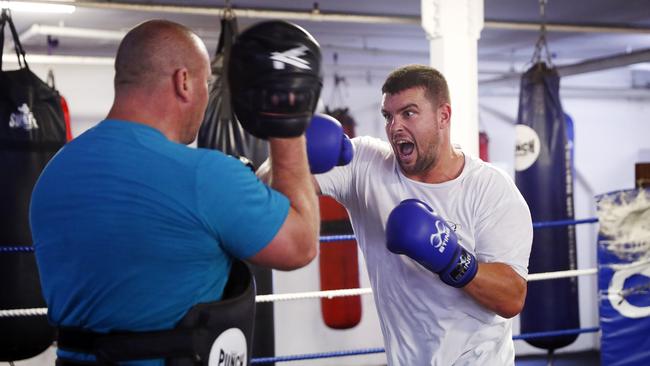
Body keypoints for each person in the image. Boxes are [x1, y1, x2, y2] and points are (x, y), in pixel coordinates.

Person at [29, 19, 322, 365]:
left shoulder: (54, 173)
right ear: (183, 82)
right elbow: (300, 246)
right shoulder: (204, 175)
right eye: (206, 83)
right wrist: (288, 124)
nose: (206, 95)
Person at [313, 64, 533, 365]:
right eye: (388, 116)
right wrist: (297, 151)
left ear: (443, 116)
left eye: (408, 113)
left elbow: (511, 298)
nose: (394, 127)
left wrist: (452, 259)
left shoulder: (490, 190)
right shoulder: (364, 165)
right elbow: (269, 184)